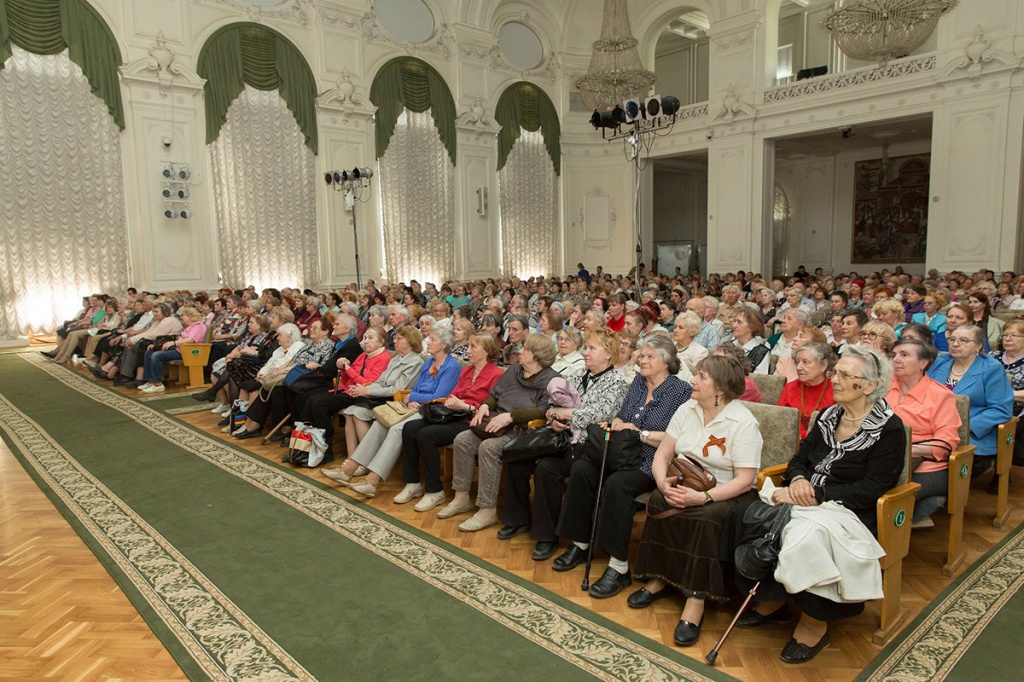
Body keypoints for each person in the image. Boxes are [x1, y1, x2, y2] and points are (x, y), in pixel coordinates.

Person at [730, 345, 905, 664]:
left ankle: (814, 624)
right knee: (744, 511)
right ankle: (774, 598)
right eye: (835, 372)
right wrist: (797, 482)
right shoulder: (828, 416)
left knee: (806, 534)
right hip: (806, 496)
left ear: (867, 386)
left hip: (852, 510)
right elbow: (798, 460)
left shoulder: (888, 429)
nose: (833, 378)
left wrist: (816, 494)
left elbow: (874, 488)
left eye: (842, 374)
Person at [628, 355, 763, 647]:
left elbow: (745, 479)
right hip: (684, 479)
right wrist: (662, 482)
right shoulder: (687, 409)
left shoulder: (743, 422)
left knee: (703, 518)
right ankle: (660, 578)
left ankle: (695, 600)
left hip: (727, 491)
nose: (693, 380)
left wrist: (703, 497)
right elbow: (664, 453)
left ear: (721, 389)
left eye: (701, 376)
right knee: (661, 502)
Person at [548, 335, 691, 597]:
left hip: (652, 458)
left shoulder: (680, 391)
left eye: (650, 357)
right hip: (621, 451)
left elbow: (679, 437)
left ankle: (619, 566)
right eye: (642, 355)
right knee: (581, 469)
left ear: (667, 362)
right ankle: (580, 542)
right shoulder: (637, 382)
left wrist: (641, 433)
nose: (642, 360)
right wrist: (614, 424)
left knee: (617, 484)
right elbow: (621, 416)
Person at [501, 329, 632, 555]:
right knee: (517, 457)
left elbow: (595, 415)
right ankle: (518, 519)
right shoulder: (579, 373)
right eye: (586, 348)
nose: (586, 353)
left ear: (609, 354)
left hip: (587, 445)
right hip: (560, 436)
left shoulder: (617, 382)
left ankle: (546, 536)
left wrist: (563, 413)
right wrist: (554, 417)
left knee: (546, 468)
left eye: (592, 348)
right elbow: (551, 407)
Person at [438, 334, 561, 532]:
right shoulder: (515, 369)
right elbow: (495, 394)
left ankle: (487, 510)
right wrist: (485, 406)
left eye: (525, 349)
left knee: (489, 448)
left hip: (522, 430)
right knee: (462, 439)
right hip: (495, 421)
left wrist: (512, 416)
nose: (519, 351)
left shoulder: (552, 379)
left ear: (537, 356)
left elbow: (544, 410)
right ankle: (461, 498)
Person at [329, 327, 462, 496]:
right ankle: (349, 468)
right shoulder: (428, 362)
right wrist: (412, 399)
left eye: (433, 339)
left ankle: (372, 480)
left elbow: (439, 395)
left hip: (433, 410)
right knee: (380, 423)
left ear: (444, 345)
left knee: (397, 429)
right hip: (415, 405)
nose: (428, 341)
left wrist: (412, 397)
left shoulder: (452, 366)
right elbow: (418, 387)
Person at [397, 333, 504, 511]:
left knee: (427, 435)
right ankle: (413, 483)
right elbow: (454, 393)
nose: (467, 351)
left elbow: (493, 406)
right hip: (453, 414)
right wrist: (453, 401)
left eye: (473, 347)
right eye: (468, 346)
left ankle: (435, 491)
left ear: (486, 351)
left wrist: (466, 406)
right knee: (410, 427)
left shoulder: (496, 374)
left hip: (472, 420)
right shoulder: (467, 370)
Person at [305, 326, 424, 462]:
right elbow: (379, 381)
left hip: (393, 401)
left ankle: (365, 459)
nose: (394, 341)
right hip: (375, 395)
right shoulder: (396, 359)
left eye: (398, 338)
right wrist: (360, 387)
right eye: (395, 338)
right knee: (347, 411)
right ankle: (352, 458)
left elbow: (396, 389)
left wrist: (367, 390)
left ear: (410, 341)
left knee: (347, 410)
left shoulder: (414, 362)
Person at [887, 339, 961, 527]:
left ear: (923, 363)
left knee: (887, 496)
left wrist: (908, 450)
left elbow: (945, 443)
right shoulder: (883, 387)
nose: (896, 360)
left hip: (926, 466)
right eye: (893, 355)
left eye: (904, 355)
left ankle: (891, 548)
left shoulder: (940, 395)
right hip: (882, 458)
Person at [927, 325, 1013, 485]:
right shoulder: (939, 362)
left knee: (935, 466)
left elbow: (1001, 409)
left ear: (979, 345)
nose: (955, 344)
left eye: (963, 340)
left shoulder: (991, 368)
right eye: (952, 339)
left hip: (971, 434)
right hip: (932, 429)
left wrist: (963, 427)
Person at [137, 306, 208, 393]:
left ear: (191, 316)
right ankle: (150, 381)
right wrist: (157, 345)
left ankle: (158, 384)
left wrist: (173, 343)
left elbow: (190, 340)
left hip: (188, 352)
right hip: (180, 349)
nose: (181, 317)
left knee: (156, 355)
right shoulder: (188, 327)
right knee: (150, 352)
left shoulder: (198, 326)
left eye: (183, 315)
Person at [777, 342, 836, 439]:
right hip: (790, 443)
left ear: (824, 365)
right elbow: (779, 419)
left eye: (805, 362)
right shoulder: (791, 387)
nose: (798, 367)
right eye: (797, 362)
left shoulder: (835, 390)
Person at [990, 319, 1024, 470]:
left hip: (1018, 408)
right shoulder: (991, 356)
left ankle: (1002, 471)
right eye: (1005, 335)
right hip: (989, 404)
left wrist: (1007, 394)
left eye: (1014, 335)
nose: (1008, 338)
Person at [731, 308, 770, 374]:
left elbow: (759, 379)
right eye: (734, 321)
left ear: (752, 327)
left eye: (739, 322)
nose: (734, 325)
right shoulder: (727, 346)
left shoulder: (761, 352)